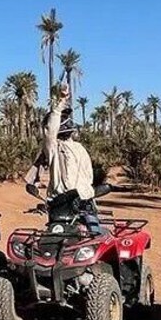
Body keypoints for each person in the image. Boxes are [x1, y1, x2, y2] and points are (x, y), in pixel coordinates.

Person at [25, 84, 100, 232]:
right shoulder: (63, 148)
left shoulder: (64, 148)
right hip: (72, 204)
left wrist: (60, 103)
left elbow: (88, 177)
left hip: (73, 203)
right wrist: (61, 102)